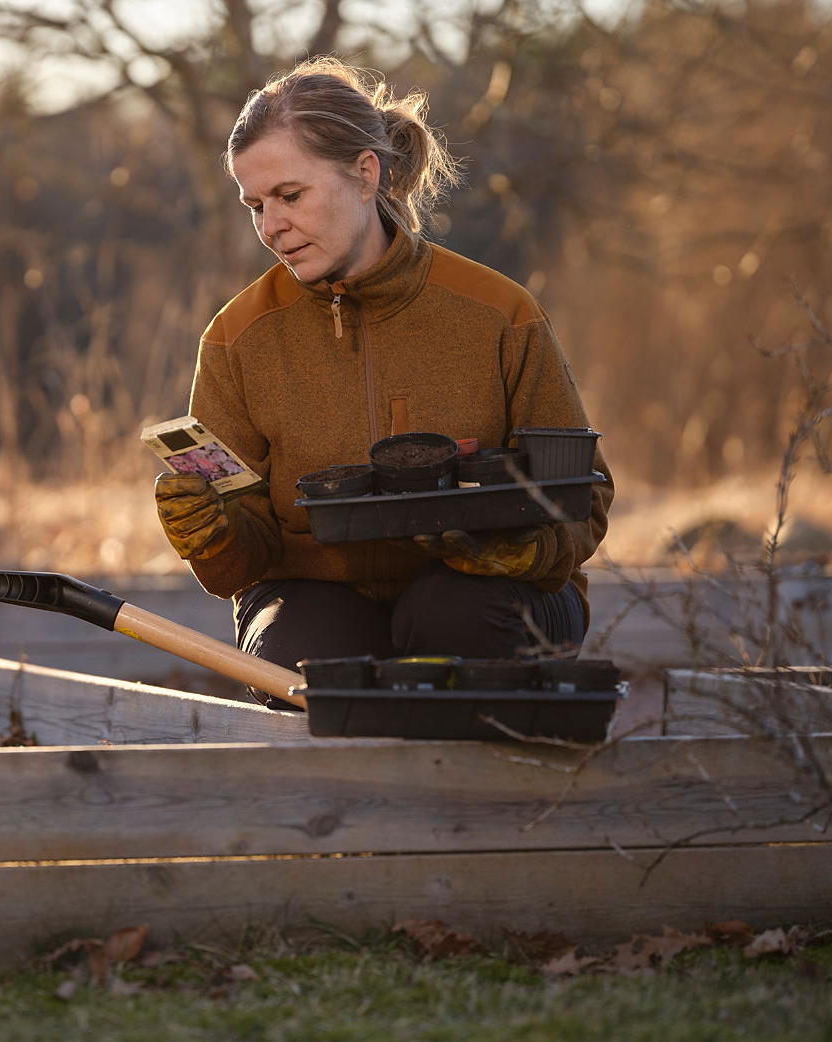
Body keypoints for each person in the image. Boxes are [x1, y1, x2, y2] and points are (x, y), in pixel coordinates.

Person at [152, 57, 614, 706]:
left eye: (290, 195)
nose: (270, 225)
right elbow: (246, 566)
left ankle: (490, 799)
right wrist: (215, 534)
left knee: (448, 616)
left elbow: (585, 498)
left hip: (492, 600)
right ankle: (336, 808)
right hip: (316, 598)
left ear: (366, 174)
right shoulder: (236, 339)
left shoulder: (500, 314)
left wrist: (527, 551)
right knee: (309, 658)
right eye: (255, 205)